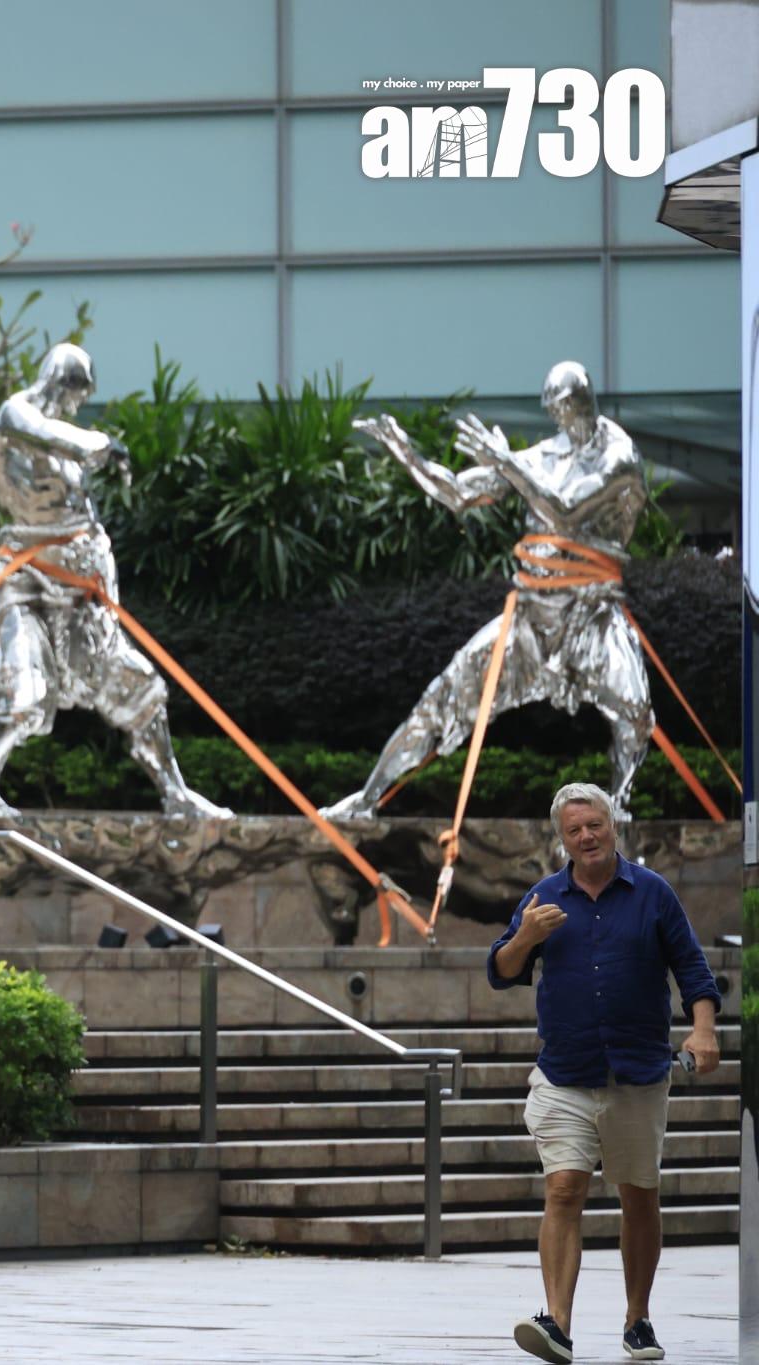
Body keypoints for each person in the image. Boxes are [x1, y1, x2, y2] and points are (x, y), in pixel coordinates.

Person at [324, 361, 653, 821]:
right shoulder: (540, 457)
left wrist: (506, 462)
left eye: (568, 406)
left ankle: (619, 810)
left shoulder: (619, 455)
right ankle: (365, 800)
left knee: (634, 714)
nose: (562, 417)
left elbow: (564, 513)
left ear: (585, 401)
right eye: (554, 409)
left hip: (591, 613)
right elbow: (460, 493)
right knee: (440, 699)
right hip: (532, 616)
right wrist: (407, 455)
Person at [487, 782, 721, 1364]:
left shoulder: (652, 893)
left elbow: (691, 966)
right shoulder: (544, 897)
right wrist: (526, 936)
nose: (586, 836)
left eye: (594, 825)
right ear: (562, 838)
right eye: (574, 830)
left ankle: (637, 1319)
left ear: (612, 824)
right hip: (565, 1073)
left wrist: (704, 1028)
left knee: (639, 1195)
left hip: (638, 1073)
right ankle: (558, 1325)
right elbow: (500, 969)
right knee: (564, 1188)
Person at [0, 341, 230, 820]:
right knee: (23, 696)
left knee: (140, 686)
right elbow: (56, 437)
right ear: (62, 382)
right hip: (29, 585)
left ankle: (175, 793)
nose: (75, 406)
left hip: (85, 598)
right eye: (75, 394)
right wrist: (107, 445)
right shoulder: (17, 416)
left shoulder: (60, 436)